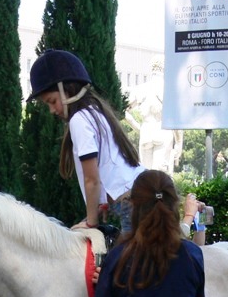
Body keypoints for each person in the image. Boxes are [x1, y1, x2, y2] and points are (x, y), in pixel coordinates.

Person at [28, 49, 146, 232]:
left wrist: (91, 223)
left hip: (132, 205)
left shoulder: (78, 120)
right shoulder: (95, 112)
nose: (52, 110)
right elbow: (110, 165)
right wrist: (103, 203)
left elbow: (92, 179)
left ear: (66, 89)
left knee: (126, 261)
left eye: (52, 101)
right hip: (142, 194)